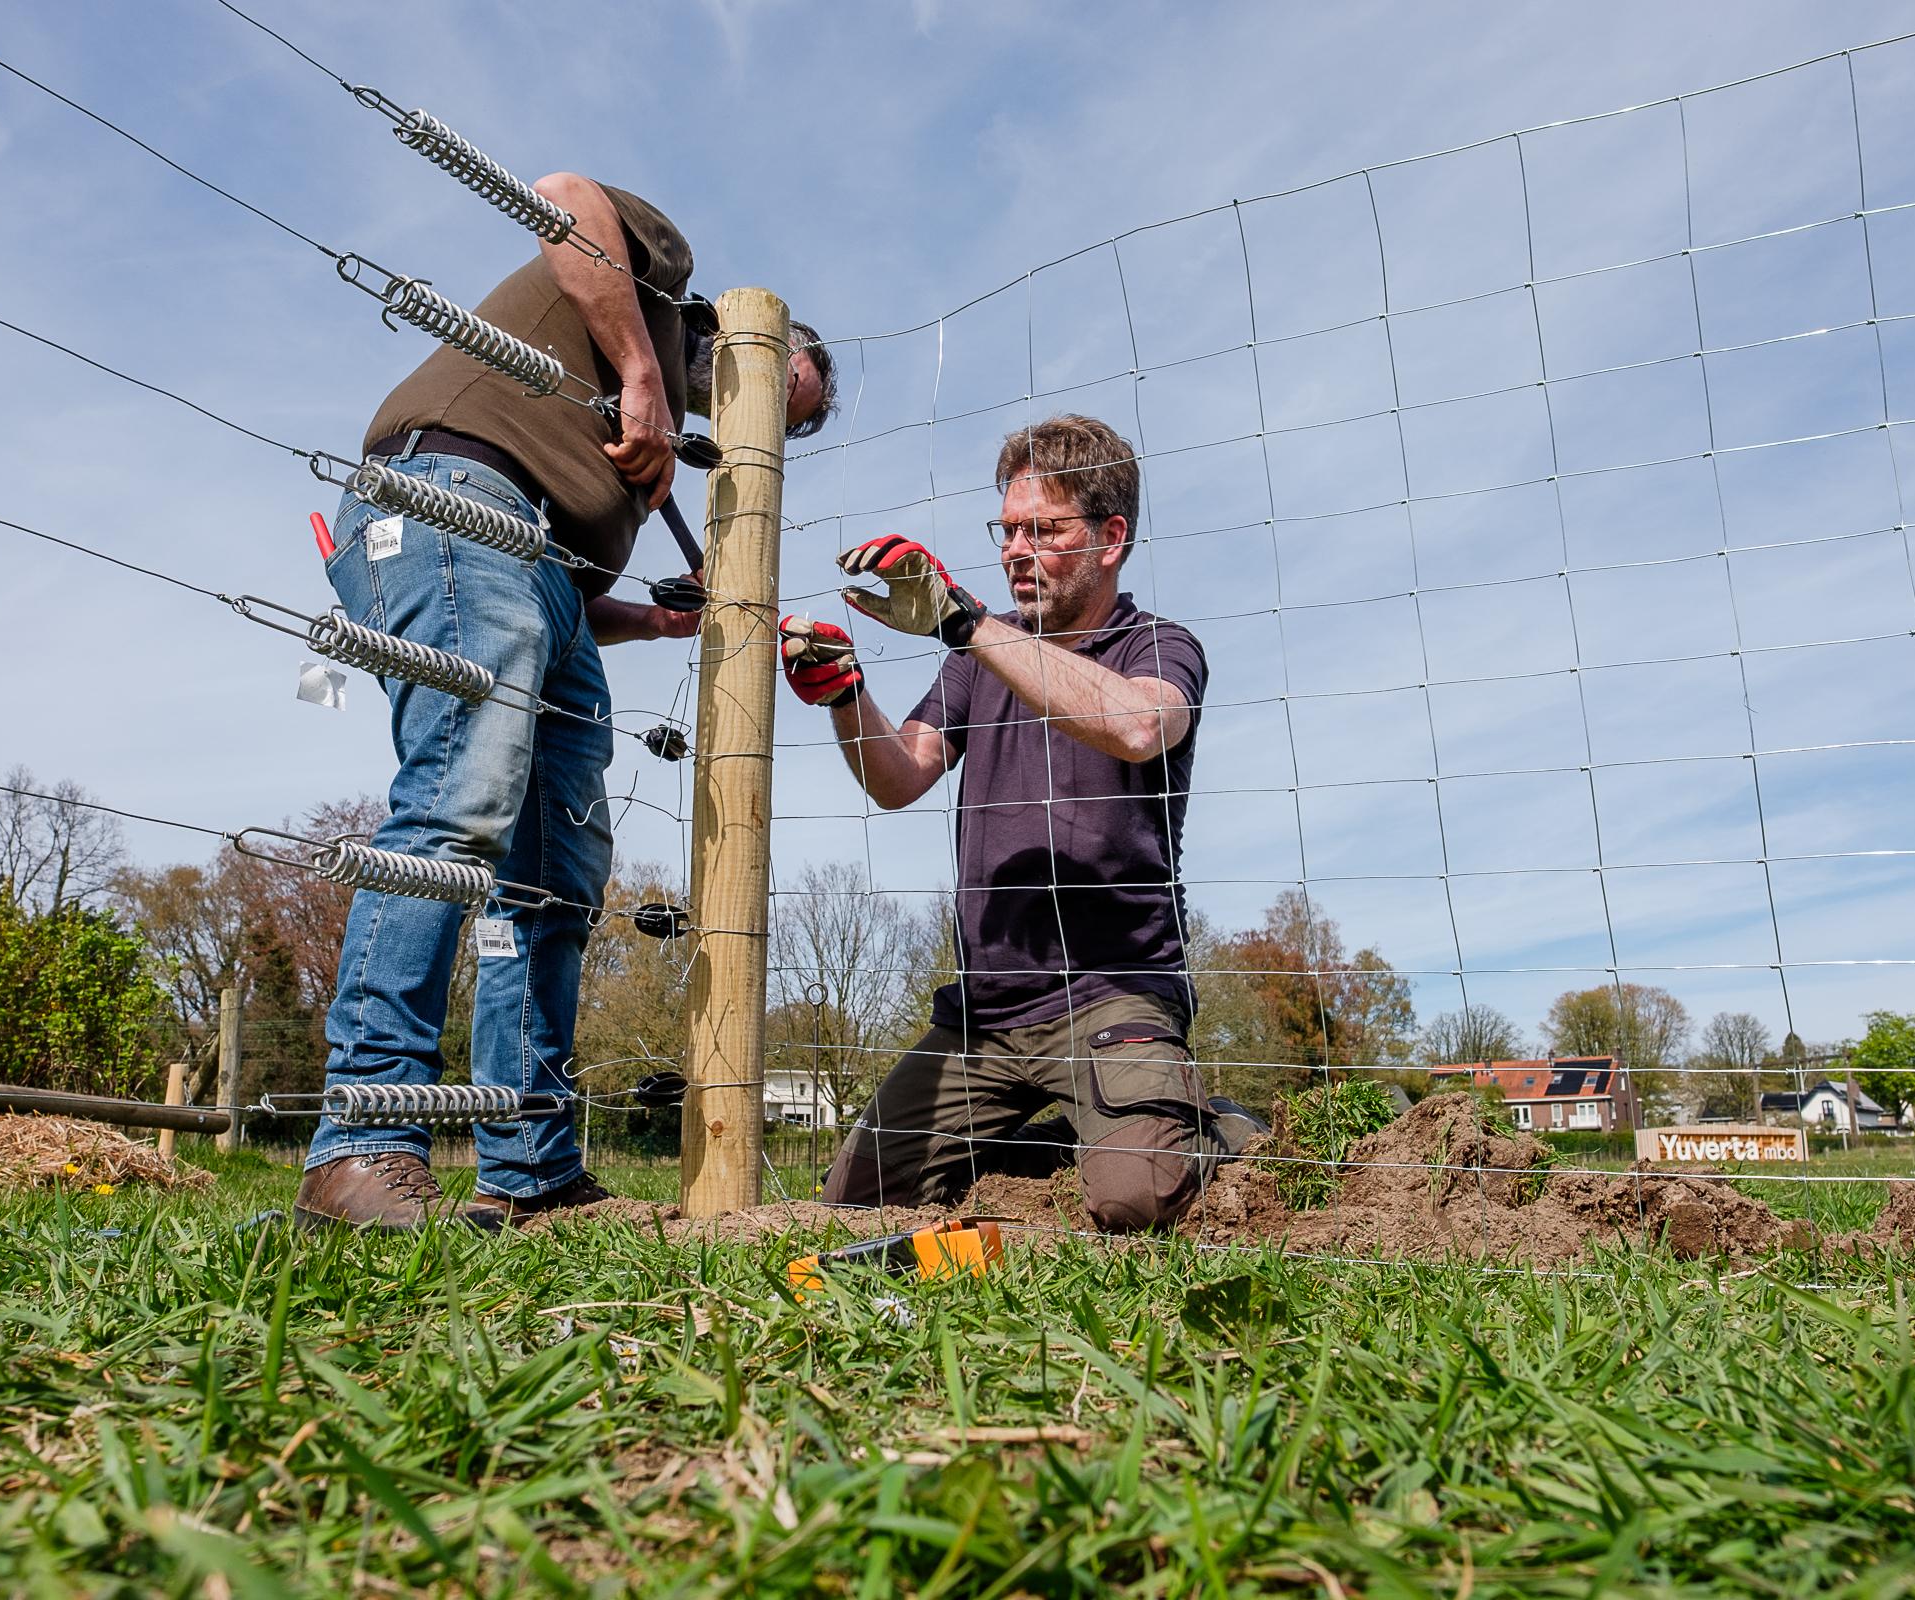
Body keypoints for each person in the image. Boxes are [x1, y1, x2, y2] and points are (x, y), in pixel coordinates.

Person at [295, 173, 833, 1231]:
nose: (728, 423)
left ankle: (531, 1171)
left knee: (554, 878)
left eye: (776, 423)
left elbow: (561, 606)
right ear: (724, 345)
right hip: (450, 498)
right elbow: (563, 198)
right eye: (758, 393)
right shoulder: (653, 288)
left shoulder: (629, 474)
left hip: (538, 570)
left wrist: (658, 620)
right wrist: (640, 366)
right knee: (461, 795)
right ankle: (359, 1144)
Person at [780, 414, 1261, 1232]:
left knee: (1137, 1200)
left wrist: (965, 621)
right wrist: (845, 694)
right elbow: (900, 776)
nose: (1013, 550)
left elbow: (1141, 726)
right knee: (854, 1202)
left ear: (1112, 538)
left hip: (1116, 1001)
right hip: (982, 1017)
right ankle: (1086, 1140)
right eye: (1006, 530)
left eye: (1042, 530)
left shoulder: (1158, 645)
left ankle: (1214, 1127)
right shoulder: (977, 661)